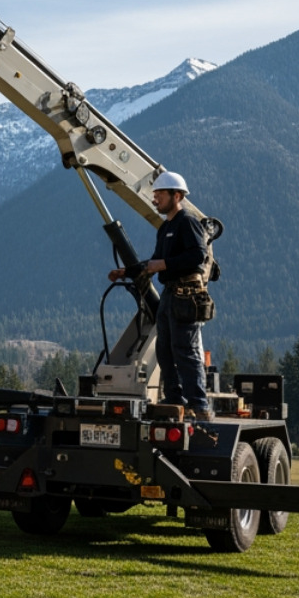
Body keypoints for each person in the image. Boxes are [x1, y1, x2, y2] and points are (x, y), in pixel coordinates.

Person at [109, 170, 212, 419]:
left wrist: (165, 264)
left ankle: (199, 405)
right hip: (169, 295)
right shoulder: (165, 227)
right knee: (164, 350)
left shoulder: (187, 222)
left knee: (185, 349)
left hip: (187, 295)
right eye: (154, 195)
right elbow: (154, 261)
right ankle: (175, 397)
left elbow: (198, 255)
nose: (155, 200)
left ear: (177, 196)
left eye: (160, 195)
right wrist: (127, 272)